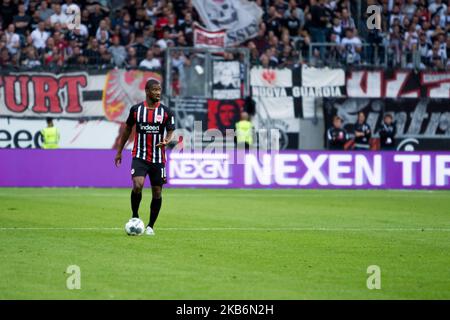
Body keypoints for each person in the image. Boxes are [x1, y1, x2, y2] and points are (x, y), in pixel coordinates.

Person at [114, 79, 175, 236]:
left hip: (158, 158)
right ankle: (135, 216)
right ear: (147, 91)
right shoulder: (136, 110)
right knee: (138, 184)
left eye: (159, 89)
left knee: (157, 192)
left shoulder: (167, 112)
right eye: (154, 89)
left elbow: (170, 131)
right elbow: (127, 130)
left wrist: (166, 141)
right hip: (140, 156)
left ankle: (150, 226)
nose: (158, 92)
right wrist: (119, 151)